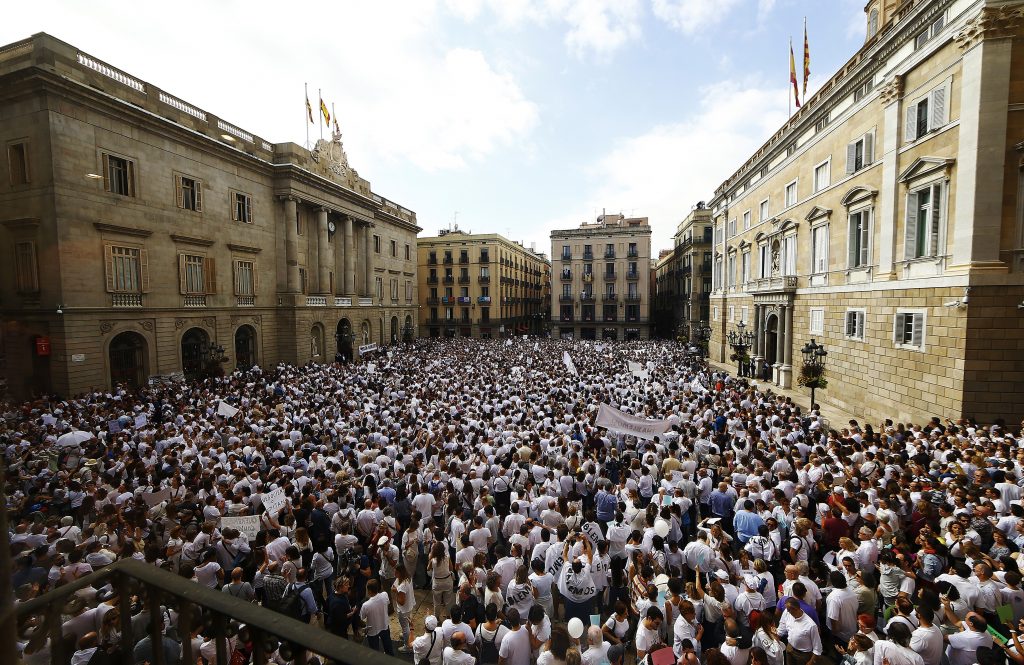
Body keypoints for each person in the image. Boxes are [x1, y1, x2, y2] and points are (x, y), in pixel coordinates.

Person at [777, 597, 821, 665]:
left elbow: (817, 647)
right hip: (789, 648)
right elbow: (782, 628)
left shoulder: (811, 625)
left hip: (803, 655)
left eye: (789, 610)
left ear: (795, 609)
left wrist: (811, 662)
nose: (787, 611)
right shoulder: (787, 613)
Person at [360, 578, 393, 655]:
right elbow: (387, 603)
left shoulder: (366, 605)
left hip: (372, 629)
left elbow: (362, 617)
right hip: (384, 625)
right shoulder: (385, 594)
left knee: (374, 651)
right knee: (388, 647)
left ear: (369, 591)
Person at [394, 563, 416, 652]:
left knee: (405, 627)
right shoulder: (408, 578)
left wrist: (396, 593)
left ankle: (407, 646)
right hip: (409, 606)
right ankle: (405, 635)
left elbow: (402, 602)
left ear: (400, 572)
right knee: (406, 624)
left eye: (396, 572)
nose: (394, 573)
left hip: (403, 609)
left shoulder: (402, 586)